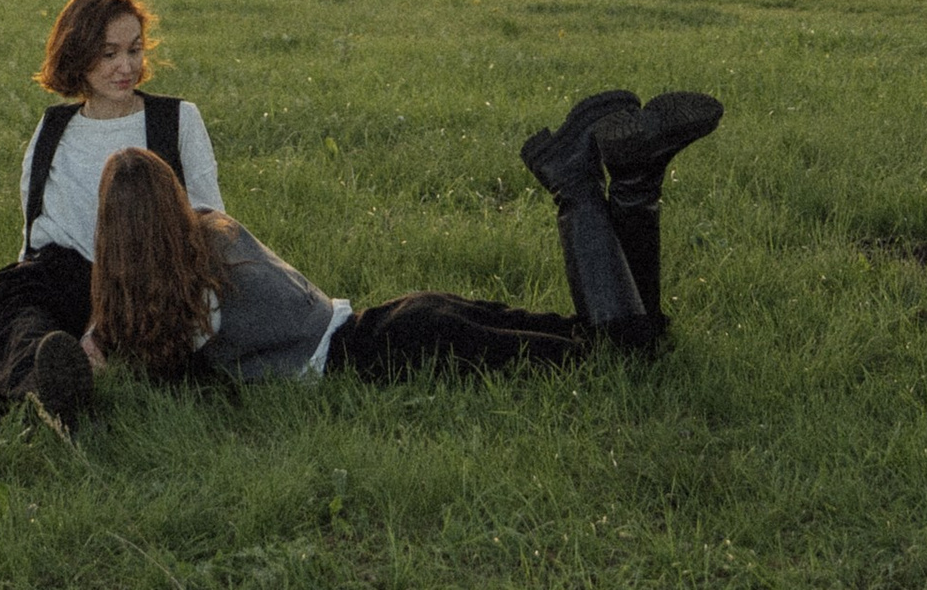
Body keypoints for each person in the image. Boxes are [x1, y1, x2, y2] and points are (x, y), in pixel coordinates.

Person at [84, 87, 723, 391]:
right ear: (174, 201)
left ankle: (581, 186)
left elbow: (169, 369)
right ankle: (636, 180)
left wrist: (100, 350)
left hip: (396, 354)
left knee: (617, 361)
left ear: (112, 238)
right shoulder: (214, 235)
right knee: (618, 344)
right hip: (400, 316)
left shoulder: (184, 314)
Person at [0, 0, 222, 429]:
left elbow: (212, 225)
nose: (126, 67)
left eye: (134, 50)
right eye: (108, 54)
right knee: (10, 300)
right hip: (68, 277)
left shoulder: (176, 120)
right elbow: (34, 231)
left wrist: (101, 327)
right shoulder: (53, 128)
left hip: (146, 283)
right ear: (77, 55)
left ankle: (18, 403)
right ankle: (51, 390)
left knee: (155, 340)